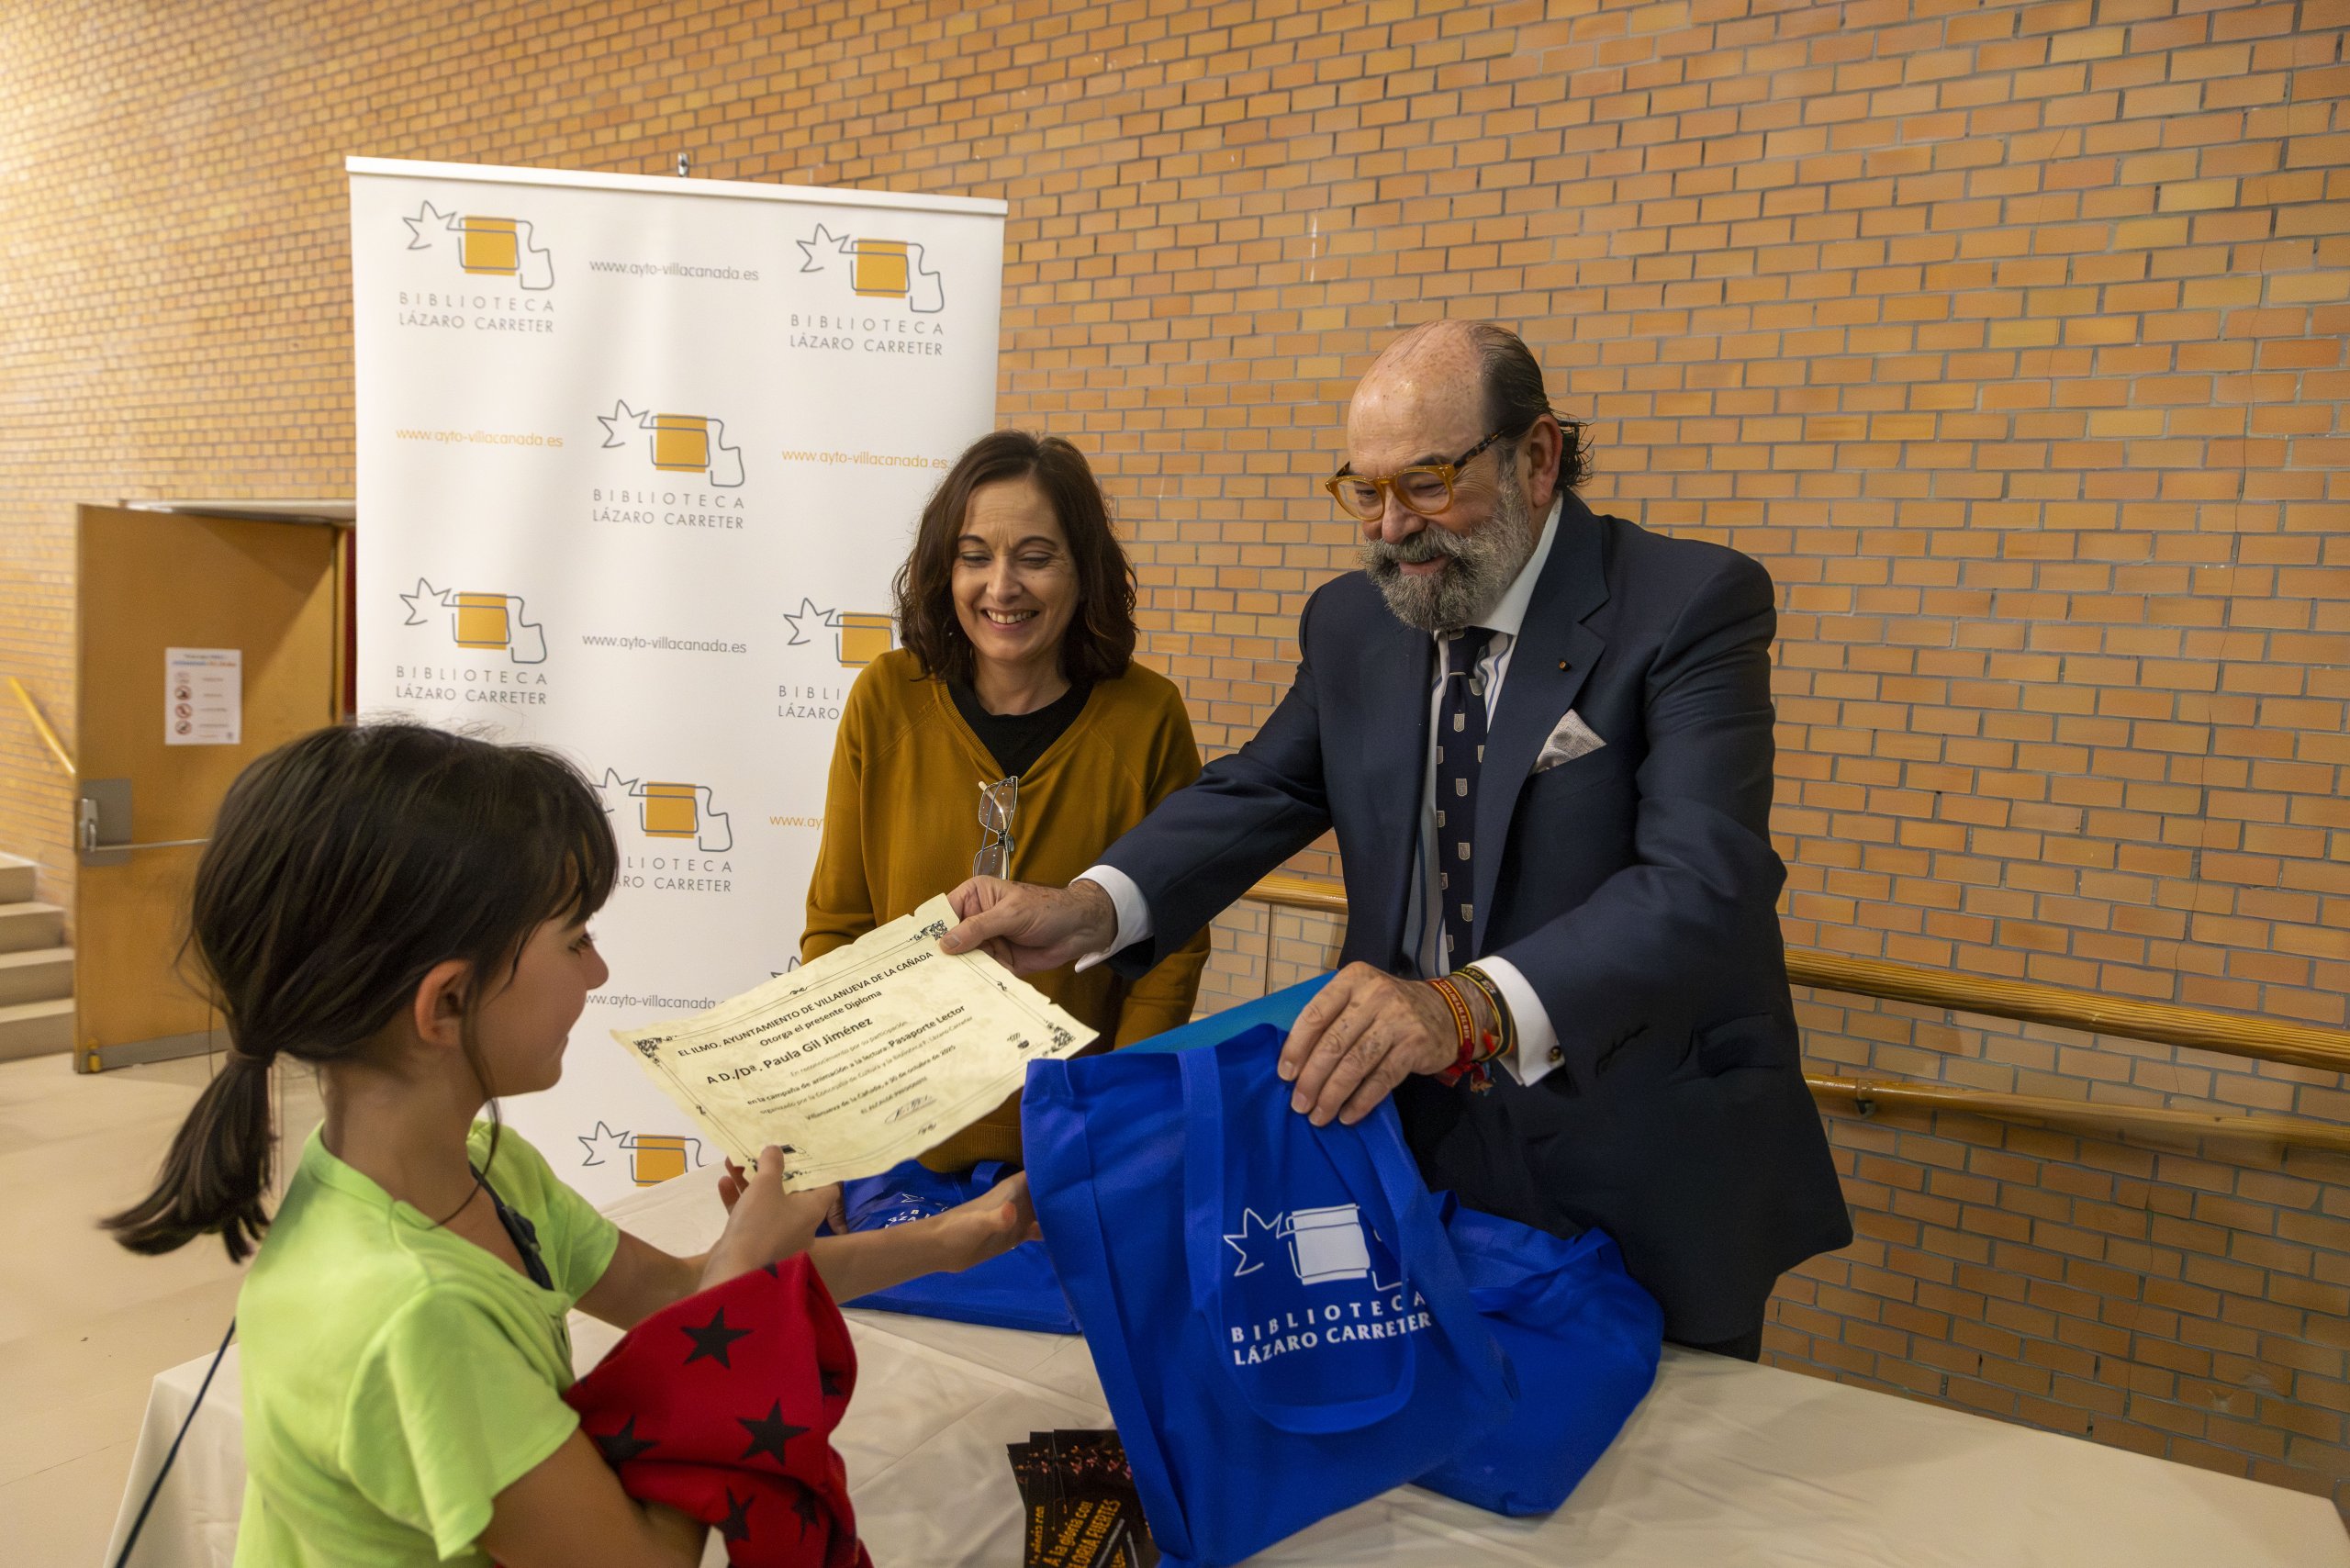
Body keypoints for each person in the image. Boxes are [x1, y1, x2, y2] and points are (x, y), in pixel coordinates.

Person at [940, 320, 1852, 1359]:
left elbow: (1702, 883)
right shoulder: (1354, 620)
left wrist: (1461, 1006)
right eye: (1362, 492)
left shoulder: (1687, 604)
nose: (1388, 528)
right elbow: (1263, 785)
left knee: (1649, 1495)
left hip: (1638, 1152)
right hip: (1407, 1145)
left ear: (1537, 456)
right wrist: (1092, 904)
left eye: (1424, 484)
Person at [105, 722, 1035, 1567]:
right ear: (447, 1002)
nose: (599, 971)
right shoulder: (416, 1316)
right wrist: (745, 1274)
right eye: (576, 939)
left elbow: (674, 1295)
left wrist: (960, 1236)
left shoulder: (477, 1171)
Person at [803, 429, 1209, 1168]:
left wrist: (1116, 1122)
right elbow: (837, 927)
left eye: (1035, 557)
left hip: (1078, 1149)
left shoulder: (1147, 716)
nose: (1001, 587)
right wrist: (831, 1122)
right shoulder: (885, 699)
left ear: (1083, 571)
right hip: (898, 1143)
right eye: (974, 556)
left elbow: (1170, 950)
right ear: (942, 568)